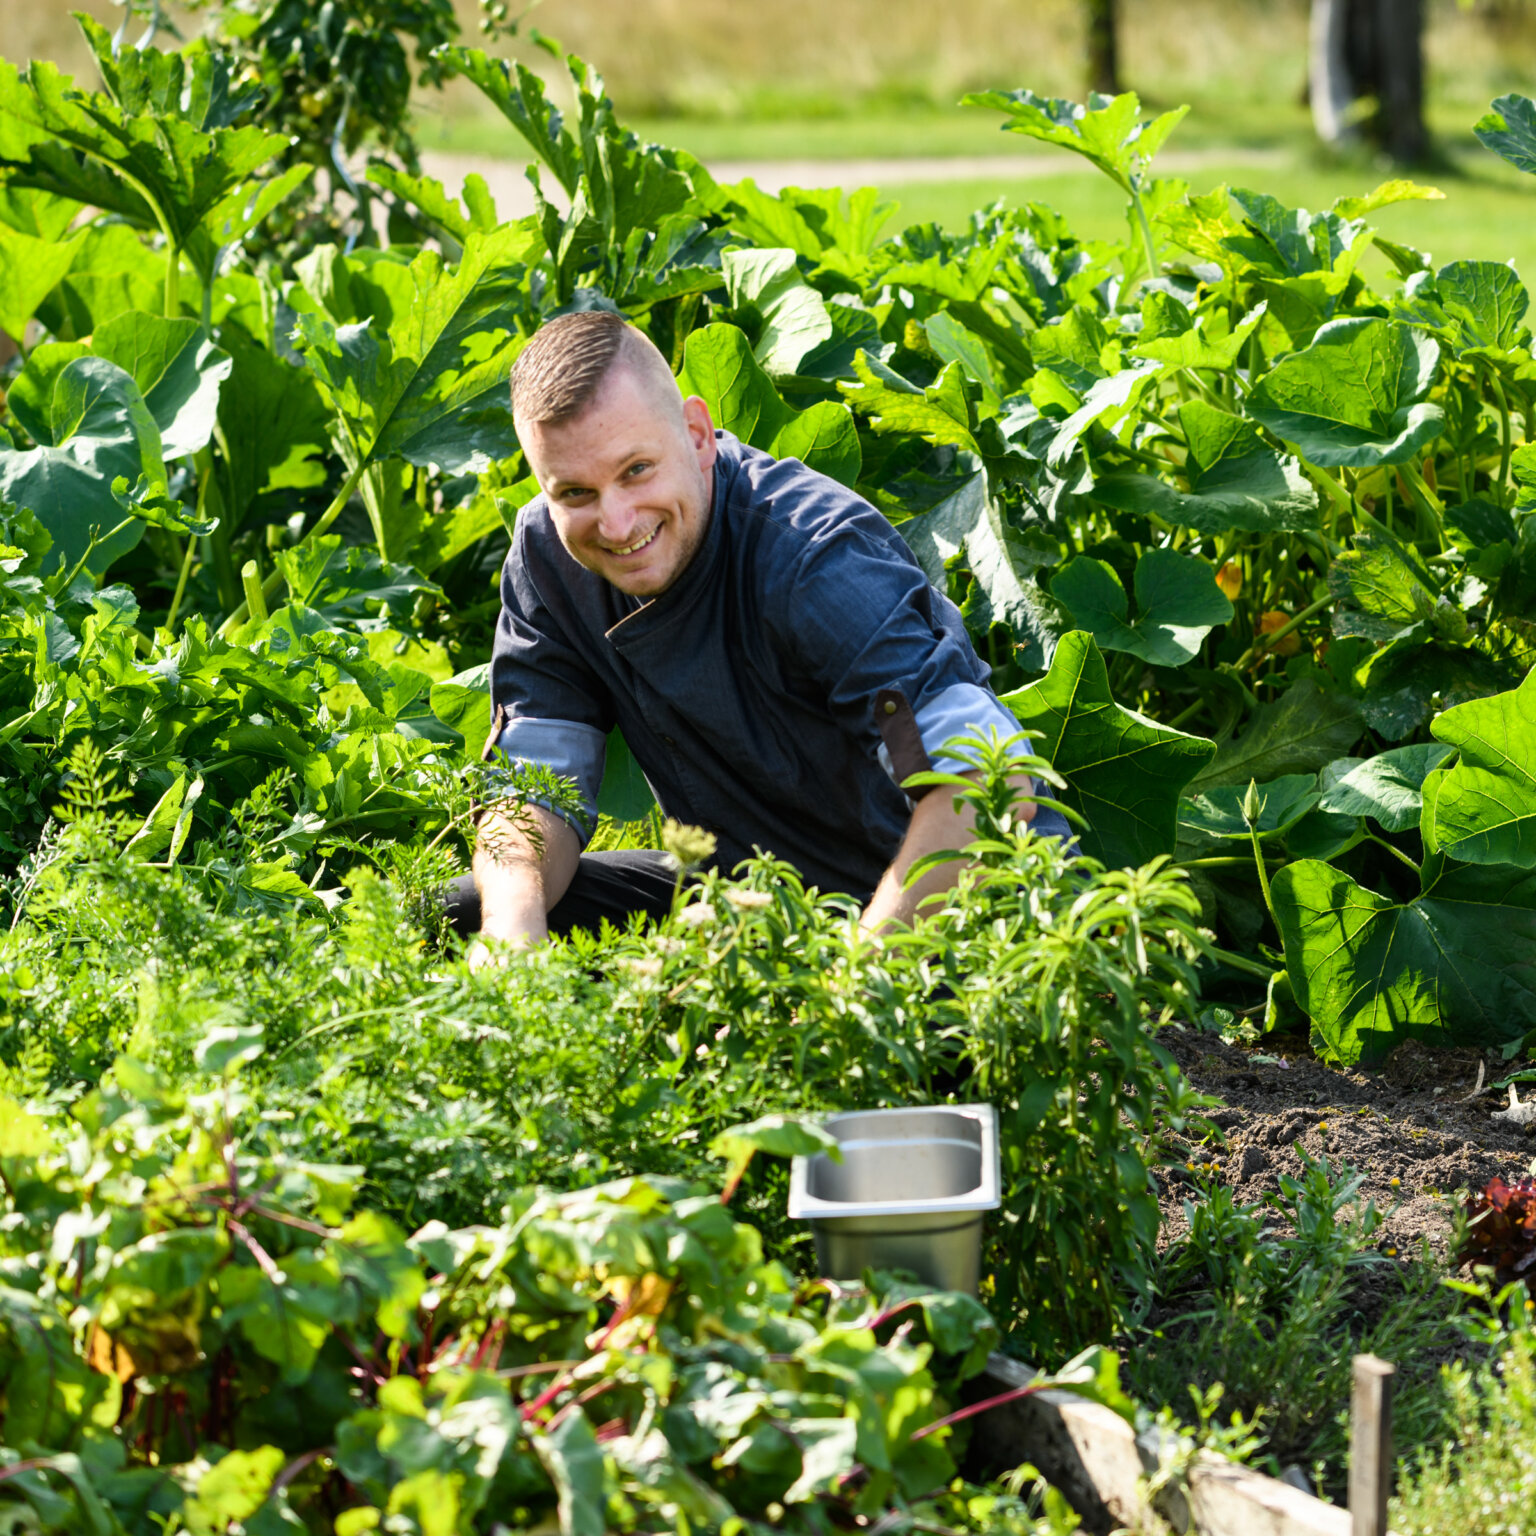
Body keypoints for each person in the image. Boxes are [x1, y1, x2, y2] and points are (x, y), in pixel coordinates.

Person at [449, 310, 1069, 958]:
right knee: (459, 915)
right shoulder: (550, 564)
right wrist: (512, 943)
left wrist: (843, 997)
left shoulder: (810, 559)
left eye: (636, 470)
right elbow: (535, 785)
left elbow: (983, 791)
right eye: (575, 492)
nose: (617, 521)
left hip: (950, 920)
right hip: (756, 905)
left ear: (695, 434)